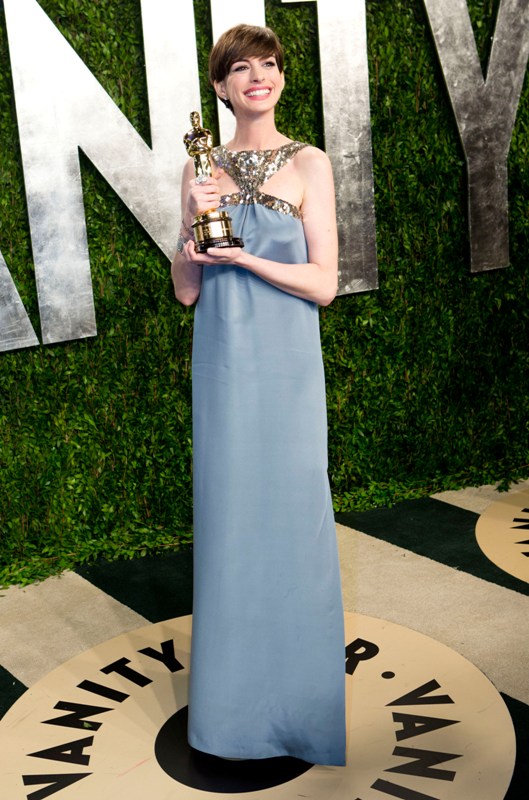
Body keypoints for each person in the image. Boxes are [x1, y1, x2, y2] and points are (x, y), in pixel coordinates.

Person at [171, 24, 346, 766]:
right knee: (230, 527)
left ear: (280, 77)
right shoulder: (200, 168)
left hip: (286, 370)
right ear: (220, 86)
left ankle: (299, 715)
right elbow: (186, 290)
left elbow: (324, 284)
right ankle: (229, 720)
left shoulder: (309, 163)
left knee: (294, 521)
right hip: (221, 368)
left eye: (267, 65)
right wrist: (192, 234)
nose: (257, 77)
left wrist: (246, 259)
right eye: (240, 68)